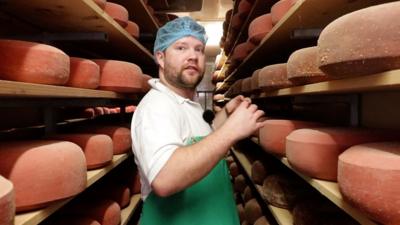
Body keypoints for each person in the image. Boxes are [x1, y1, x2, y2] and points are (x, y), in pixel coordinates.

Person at [131, 16, 265, 225]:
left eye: (199, 49)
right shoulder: (156, 106)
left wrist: (225, 117)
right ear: (161, 57)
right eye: (181, 48)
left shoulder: (185, 102)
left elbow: (195, 142)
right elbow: (165, 178)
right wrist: (230, 131)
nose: (193, 56)